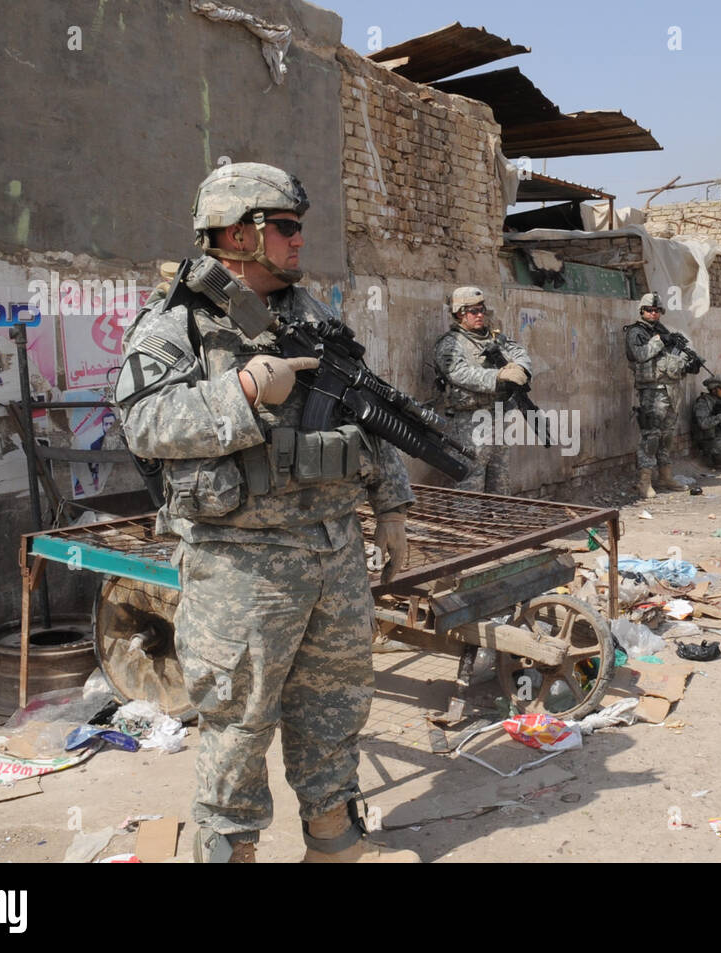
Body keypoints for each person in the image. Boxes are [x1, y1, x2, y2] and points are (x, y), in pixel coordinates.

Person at [114, 162, 418, 864]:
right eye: (285, 227)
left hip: (332, 550)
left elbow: (367, 413)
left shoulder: (309, 316)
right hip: (240, 562)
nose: (297, 240)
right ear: (238, 233)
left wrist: (392, 507)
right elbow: (144, 422)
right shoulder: (179, 322)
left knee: (336, 707)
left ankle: (335, 843)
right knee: (239, 722)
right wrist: (245, 390)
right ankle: (232, 851)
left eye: (298, 227)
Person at [432, 286, 532, 494]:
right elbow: (458, 373)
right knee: (470, 480)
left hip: (497, 415)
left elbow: (519, 351)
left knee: (500, 477)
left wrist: (520, 367)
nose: (480, 315)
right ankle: (469, 526)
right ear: (460, 313)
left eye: (481, 310)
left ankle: (500, 523)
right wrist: (497, 376)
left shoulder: (494, 338)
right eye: (473, 311)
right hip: (468, 420)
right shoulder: (450, 344)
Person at [624, 292, 699, 498]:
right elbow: (639, 355)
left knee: (667, 435)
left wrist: (688, 362)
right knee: (651, 436)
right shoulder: (636, 332)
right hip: (652, 390)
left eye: (657, 310)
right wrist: (660, 340)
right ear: (642, 311)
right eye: (649, 310)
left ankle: (665, 476)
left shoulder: (662, 331)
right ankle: (644, 481)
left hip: (671, 390)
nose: (653, 313)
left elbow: (672, 358)